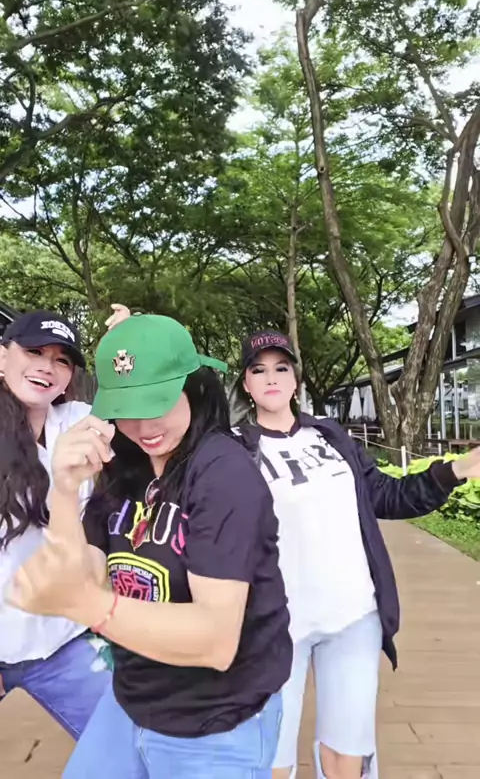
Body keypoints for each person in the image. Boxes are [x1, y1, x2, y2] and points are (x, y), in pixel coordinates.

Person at [7, 313, 293, 779]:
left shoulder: (223, 473)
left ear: (192, 386)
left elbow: (216, 641)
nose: (143, 425)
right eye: (126, 406)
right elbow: (80, 572)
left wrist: (84, 605)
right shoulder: (127, 468)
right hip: (131, 699)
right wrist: (64, 488)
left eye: (156, 401)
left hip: (215, 719)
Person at [230, 329, 480, 779]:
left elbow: (386, 495)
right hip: (272, 626)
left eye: (281, 368)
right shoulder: (230, 448)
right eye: (258, 370)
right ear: (246, 383)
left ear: (296, 379)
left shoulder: (331, 436)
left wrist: (458, 470)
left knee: (347, 754)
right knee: (269, 758)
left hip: (352, 616)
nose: (271, 378)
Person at [0, 304, 128, 738]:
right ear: (3, 356)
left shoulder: (76, 421)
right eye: (35, 352)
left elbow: (140, 409)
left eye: (62, 360)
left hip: (65, 638)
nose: (47, 367)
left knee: (127, 742)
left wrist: (127, 347)